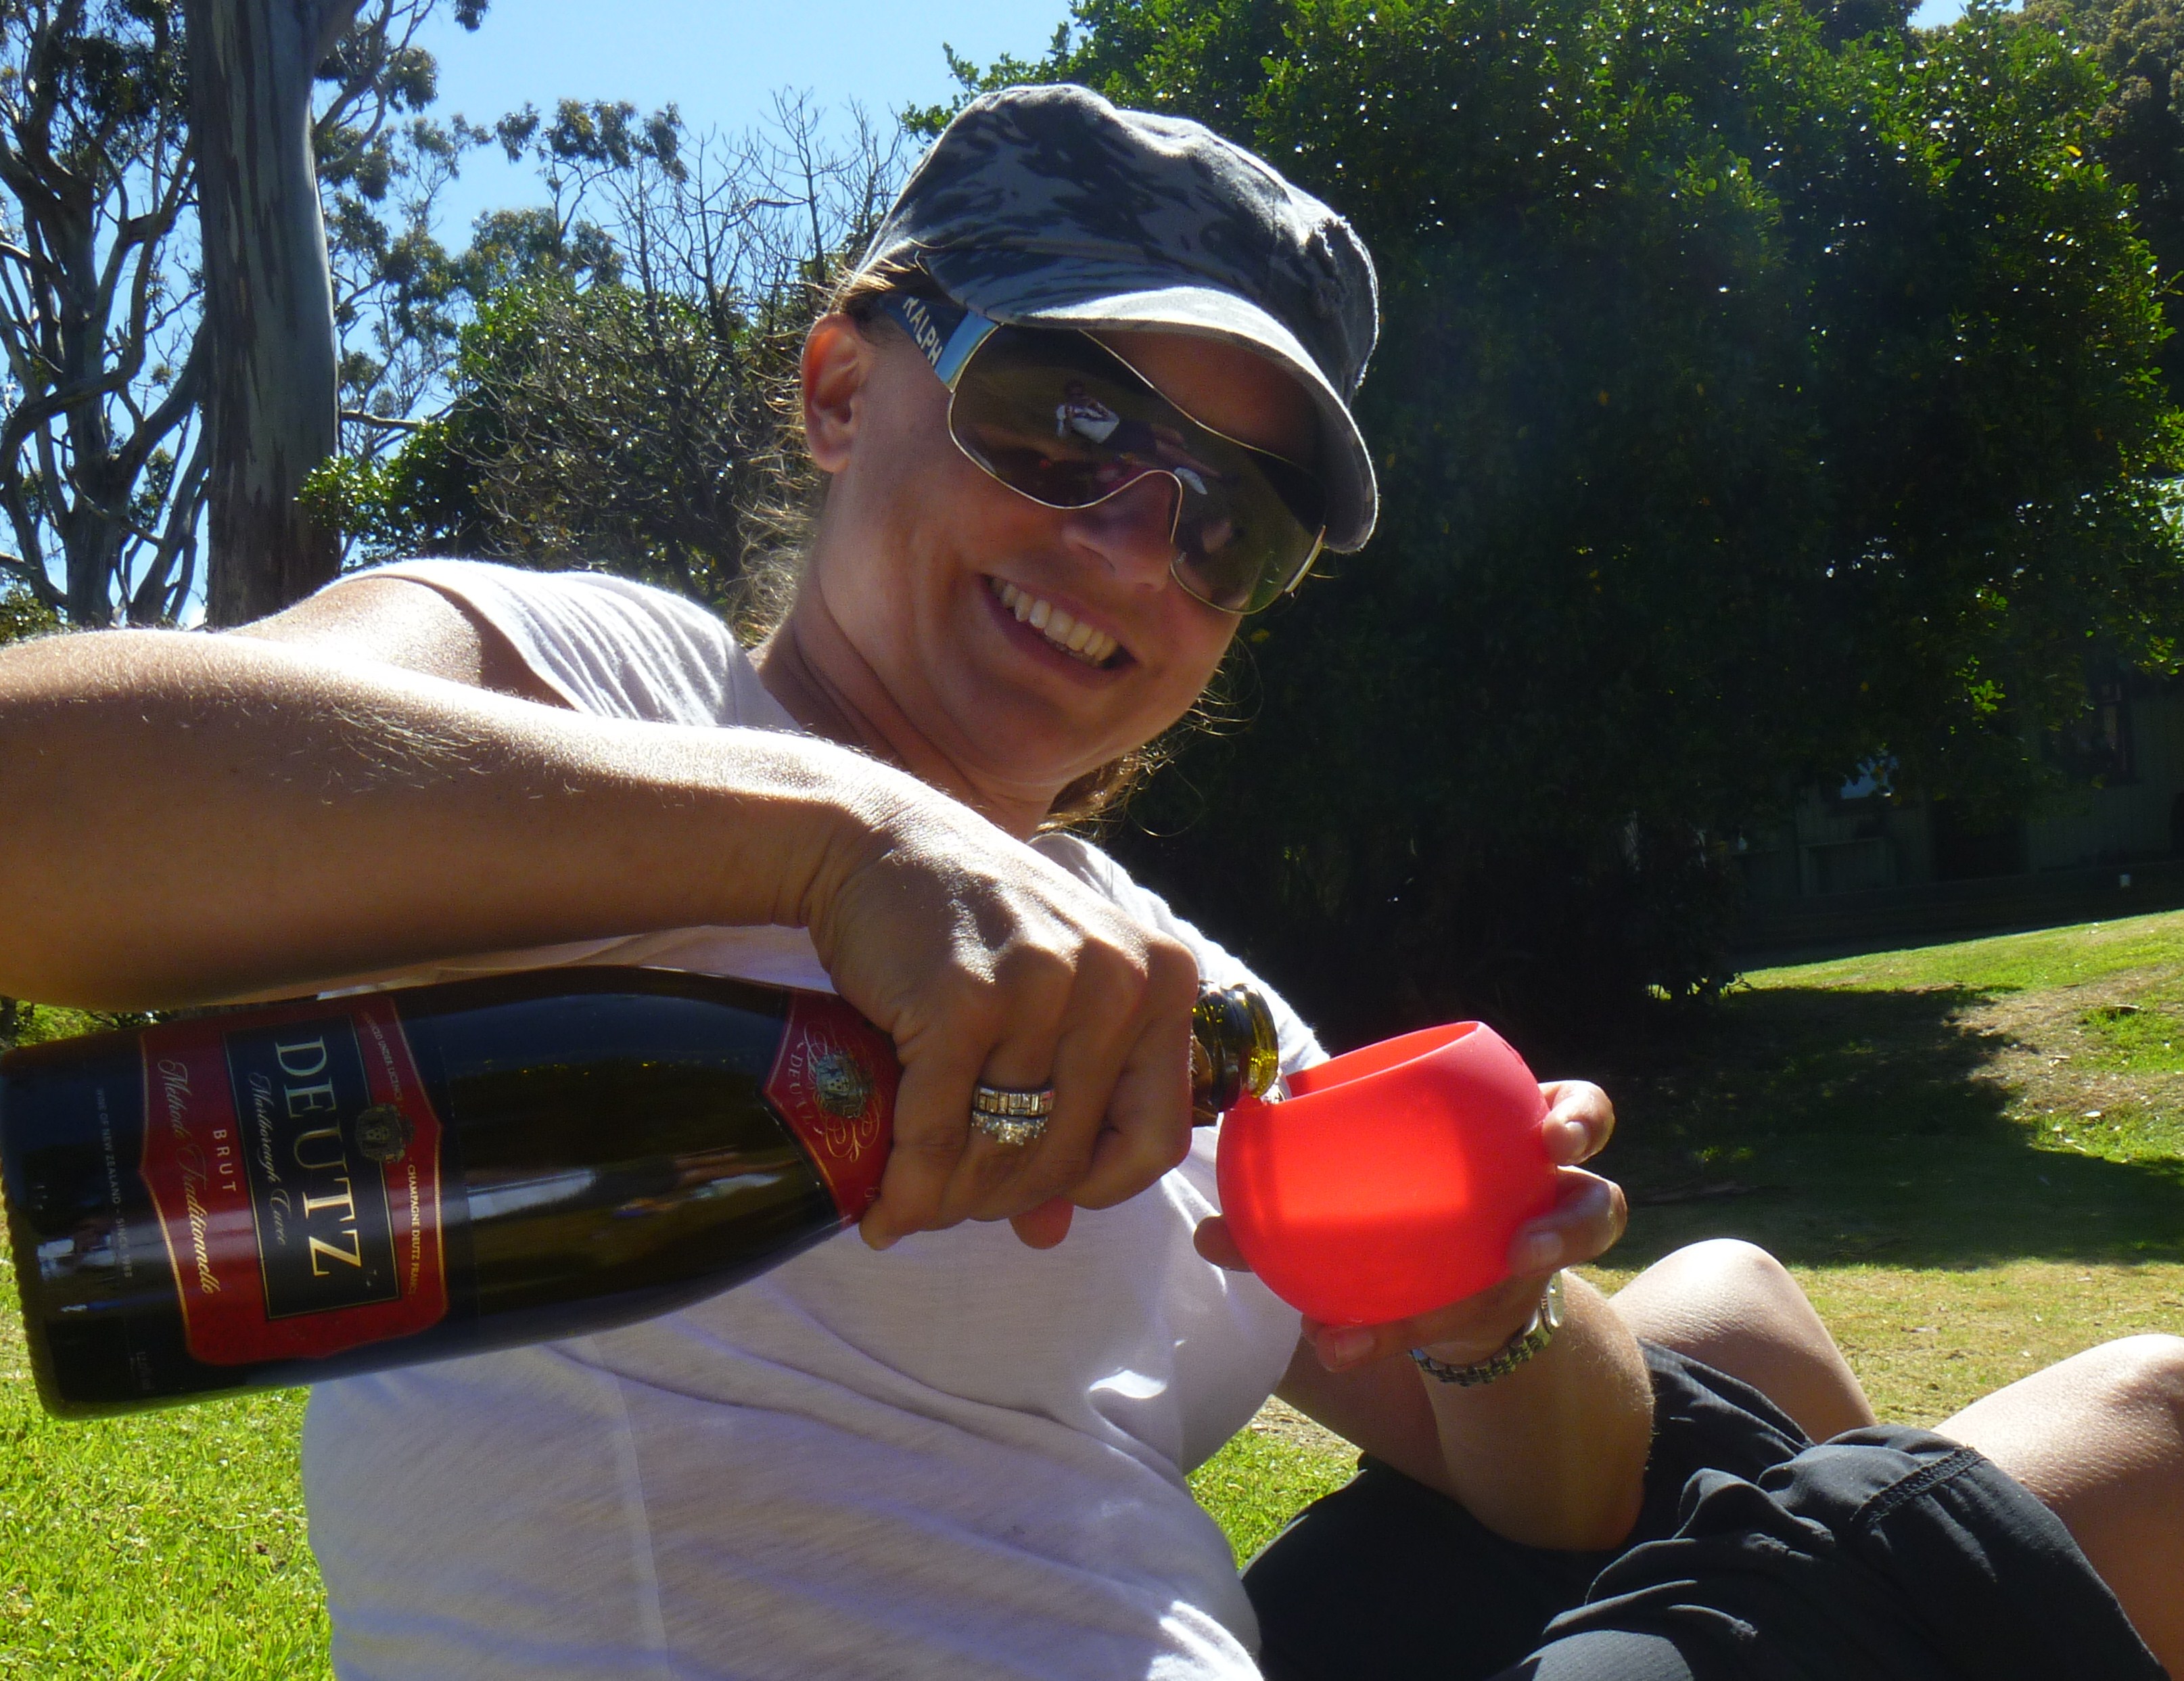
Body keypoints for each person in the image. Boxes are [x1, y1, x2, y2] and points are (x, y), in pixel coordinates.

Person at [0, 83, 2177, 1681]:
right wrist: (838, 840)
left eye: (1233, 521)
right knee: (2156, 1433)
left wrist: (1485, 1305)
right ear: (843, 382)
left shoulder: (1172, 991)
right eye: (1067, 422)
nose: (1137, 546)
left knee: (1729, 1322)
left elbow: (1571, 1486)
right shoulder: (617, 693)